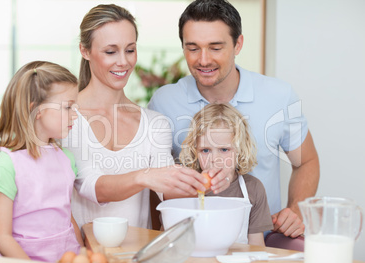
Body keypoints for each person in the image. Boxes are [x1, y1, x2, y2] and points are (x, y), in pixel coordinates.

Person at [148, 0, 320, 238]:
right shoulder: (163, 101)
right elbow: (153, 182)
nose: (204, 60)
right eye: (193, 48)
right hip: (190, 238)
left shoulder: (279, 96)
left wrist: (296, 209)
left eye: (215, 47)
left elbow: (307, 161)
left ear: (238, 44)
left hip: (261, 238)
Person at [62, 4, 229, 232]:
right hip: (79, 256)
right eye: (111, 52)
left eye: (130, 50)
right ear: (85, 51)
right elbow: (91, 187)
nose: (123, 61)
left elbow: (167, 191)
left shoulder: (154, 123)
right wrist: (145, 176)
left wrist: (206, 180)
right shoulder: (65, 118)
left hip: (137, 258)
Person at [0, 61, 83, 262]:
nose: (75, 115)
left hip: (64, 260)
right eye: (68, 107)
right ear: (37, 110)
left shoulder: (66, 158)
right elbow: (3, 237)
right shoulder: (6, 166)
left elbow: (66, 218)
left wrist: (83, 253)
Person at [180, 103, 273, 246]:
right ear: (194, 151)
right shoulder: (186, 187)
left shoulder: (253, 189)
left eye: (224, 150)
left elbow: (256, 247)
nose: (214, 159)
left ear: (240, 150)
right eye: (205, 150)